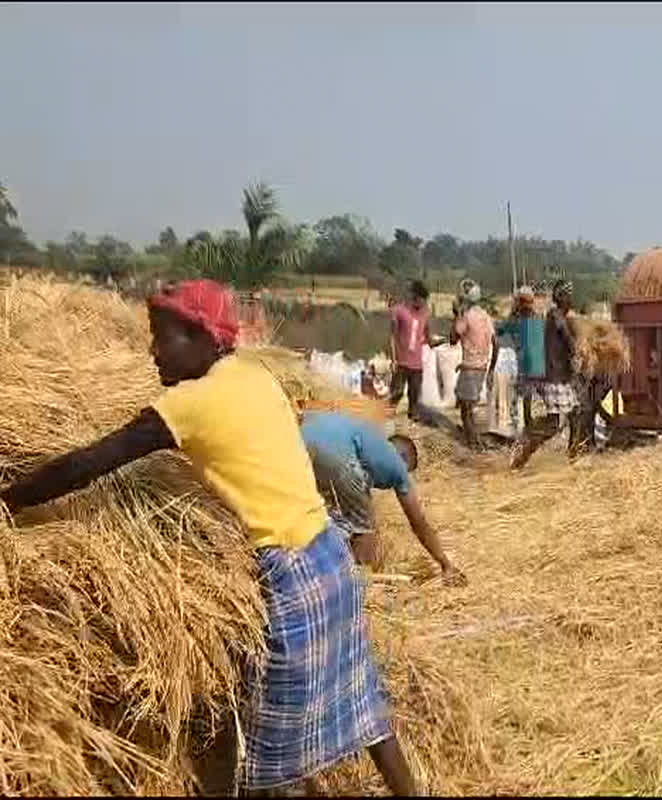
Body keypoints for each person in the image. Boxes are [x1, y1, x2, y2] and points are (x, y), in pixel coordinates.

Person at [0, 280, 418, 797]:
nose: (152, 350)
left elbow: (88, 464)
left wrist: (11, 496)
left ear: (202, 337)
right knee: (365, 708)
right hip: (329, 553)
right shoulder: (253, 374)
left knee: (273, 767)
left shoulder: (189, 403)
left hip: (291, 577)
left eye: (163, 336)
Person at [299, 409, 465, 585]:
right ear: (404, 458)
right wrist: (445, 564)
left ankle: (312, 567)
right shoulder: (398, 465)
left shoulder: (368, 436)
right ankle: (355, 586)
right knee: (365, 530)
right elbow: (418, 522)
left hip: (300, 442)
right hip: (338, 455)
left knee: (323, 512)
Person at [511, 279, 579, 470]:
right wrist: (577, 350)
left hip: (559, 378)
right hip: (553, 377)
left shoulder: (558, 316)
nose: (571, 300)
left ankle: (572, 458)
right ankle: (523, 455)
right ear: (561, 297)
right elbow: (567, 339)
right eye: (568, 296)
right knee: (553, 425)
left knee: (575, 417)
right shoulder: (555, 315)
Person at [450, 281, 497, 450]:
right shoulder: (485, 316)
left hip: (469, 367)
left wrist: (456, 315)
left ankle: (473, 443)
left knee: (466, 409)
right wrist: (491, 368)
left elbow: (453, 339)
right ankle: (474, 439)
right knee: (470, 406)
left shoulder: (466, 316)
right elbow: (495, 342)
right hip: (482, 367)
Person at [494, 286, 547, 432]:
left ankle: (528, 426)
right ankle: (530, 426)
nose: (523, 304)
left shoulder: (519, 319)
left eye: (522, 301)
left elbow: (500, 330)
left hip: (529, 364)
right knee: (532, 398)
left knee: (527, 398)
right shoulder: (537, 317)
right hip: (535, 364)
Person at [389, 280, 431, 422]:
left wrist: (443, 341)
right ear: (414, 297)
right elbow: (392, 337)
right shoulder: (399, 311)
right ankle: (385, 420)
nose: (423, 304)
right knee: (396, 393)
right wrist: (393, 359)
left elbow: (426, 337)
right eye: (421, 300)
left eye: (425, 301)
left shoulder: (425, 314)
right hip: (401, 362)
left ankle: (412, 424)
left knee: (414, 396)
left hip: (416, 365)